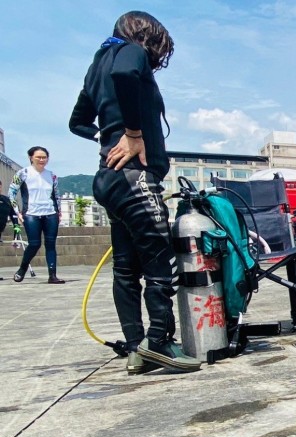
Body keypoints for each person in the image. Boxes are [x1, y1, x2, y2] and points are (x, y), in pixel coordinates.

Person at [69, 11, 200, 374]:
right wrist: (133, 133)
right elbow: (125, 73)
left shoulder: (97, 64)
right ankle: (159, 342)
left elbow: (76, 121)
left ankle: (135, 348)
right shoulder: (130, 52)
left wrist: (105, 136)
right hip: (134, 178)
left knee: (126, 270)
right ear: (145, 34)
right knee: (162, 266)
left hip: (109, 180)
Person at [7, 147, 64, 284]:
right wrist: (18, 212)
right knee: (34, 244)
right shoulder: (23, 173)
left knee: (51, 244)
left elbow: (56, 195)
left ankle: (53, 275)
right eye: (38, 157)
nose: (42, 160)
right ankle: (22, 269)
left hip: (50, 213)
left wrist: (59, 212)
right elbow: (11, 193)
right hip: (31, 214)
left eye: (44, 157)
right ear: (31, 158)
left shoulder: (52, 175)